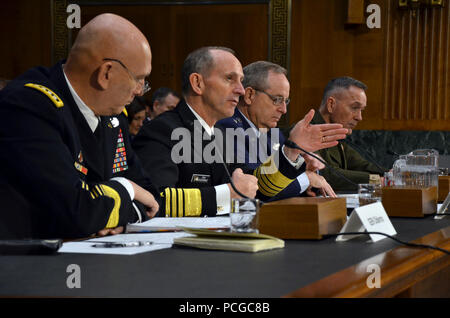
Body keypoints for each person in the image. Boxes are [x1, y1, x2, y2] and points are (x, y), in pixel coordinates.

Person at [132, 46, 347, 217]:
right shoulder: (161, 130)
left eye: (241, 81)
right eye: (229, 79)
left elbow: (257, 188)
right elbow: (154, 199)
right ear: (198, 83)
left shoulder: (221, 134)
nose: (241, 90)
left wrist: (290, 152)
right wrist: (226, 195)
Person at [0, 14, 159, 239]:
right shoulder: (29, 107)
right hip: (29, 266)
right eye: (139, 79)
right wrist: (127, 189)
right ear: (106, 73)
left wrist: (120, 217)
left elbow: (151, 197)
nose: (140, 91)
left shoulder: (111, 117)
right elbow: (76, 213)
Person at [218, 61, 335, 199]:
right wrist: (305, 179)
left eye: (285, 101)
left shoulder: (272, 133)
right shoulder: (228, 128)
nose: (284, 110)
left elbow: (293, 175)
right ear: (250, 95)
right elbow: (256, 190)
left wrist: (306, 166)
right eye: (277, 99)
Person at [311, 76, 388, 191]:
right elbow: (328, 175)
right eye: (354, 108)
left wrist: (392, 175)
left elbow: (362, 165)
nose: (359, 117)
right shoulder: (306, 132)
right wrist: (379, 180)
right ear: (331, 105)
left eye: (361, 110)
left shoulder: (336, 135)